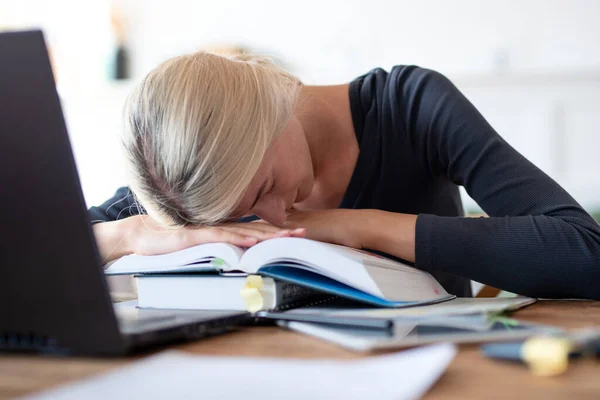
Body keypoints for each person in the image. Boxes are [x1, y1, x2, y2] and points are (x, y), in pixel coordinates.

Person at [89, 51, 600, 299]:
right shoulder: (184, 176)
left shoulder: (410, 107)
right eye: (241, 214)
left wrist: (357, 226)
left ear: (273, 97)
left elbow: (584, 251)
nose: (271, 216)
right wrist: (127, 233)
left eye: (265, 186)